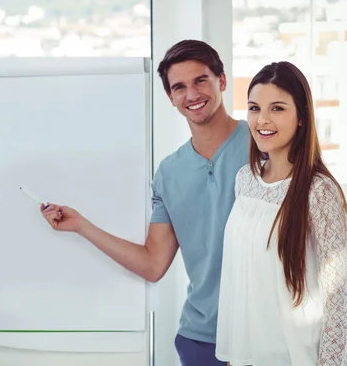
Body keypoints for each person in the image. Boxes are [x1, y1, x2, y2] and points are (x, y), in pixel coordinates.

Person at [40, 40, 250, 365]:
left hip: (262, 332)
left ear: (222, 80)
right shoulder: (169, 172)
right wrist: (81, 225)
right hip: (201, 338)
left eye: (200, 80)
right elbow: (153, 264)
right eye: (179, 87)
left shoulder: (262, 145)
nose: (191, 95)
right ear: (170, 97)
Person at [216, 61, 347, 366]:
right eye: (254, 108)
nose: (262, 119)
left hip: (297, 356)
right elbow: (241, 276)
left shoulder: (320, 191)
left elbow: (339, 295)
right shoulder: (244, 180)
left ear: (302, 116)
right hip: (249, 356)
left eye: (277, 108)